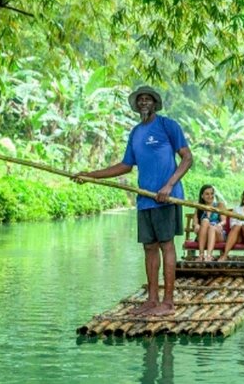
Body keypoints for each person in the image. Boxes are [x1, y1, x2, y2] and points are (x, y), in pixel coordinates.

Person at [72, 85, 192, 317]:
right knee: (149, 247)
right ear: (137, 105)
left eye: (148, 99)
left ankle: (167, 302)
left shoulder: (168, 126)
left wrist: (169, 185)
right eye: (140, 100)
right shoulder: (136, 133)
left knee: (166, 245)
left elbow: (187, 158)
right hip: (146, 199)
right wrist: (91, 175)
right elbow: (125, 165)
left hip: (167, 198)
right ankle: (151, 299)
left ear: (155, 104)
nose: (144, 103)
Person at [193, 184, 226, 262]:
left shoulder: (219, 205)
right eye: (207, 194)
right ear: (202, 196)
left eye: (211, 193)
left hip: (217, 232)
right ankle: (201, 255)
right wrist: (196, 226)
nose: (210, 196)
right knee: (205, 221)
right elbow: (195, 222)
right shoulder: (199, 208)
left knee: (211, 227)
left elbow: (224, 221)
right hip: (203, 234)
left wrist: (219, 224)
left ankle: (209, 256)